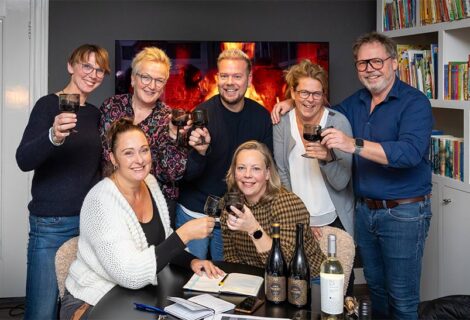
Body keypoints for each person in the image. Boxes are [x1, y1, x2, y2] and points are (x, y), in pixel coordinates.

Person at [272, 32, 433, 320]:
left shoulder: (414, 102)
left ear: (394, 63)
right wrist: (289, 102)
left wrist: (352, 144)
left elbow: (409, 153)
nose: (370, 68)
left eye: (376, 61)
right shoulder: (354, 104)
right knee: (376, 290)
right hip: (363, 211)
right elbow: (319, 108)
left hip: (403, 212)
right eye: (362, 63)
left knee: (402, 297)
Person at [61, 118, 223, 319]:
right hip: (93, 300)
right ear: (113, 158)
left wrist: (191, 261)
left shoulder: (149, 182)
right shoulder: (101, 201)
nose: (139, 159)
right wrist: (185, 234)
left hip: (135, 296)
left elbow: (164, 239)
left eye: (144, 150)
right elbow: (130, 274)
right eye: (128, 153)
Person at [16, 44, 111, 320]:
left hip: (88, 225)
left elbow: (95, 166)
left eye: (99, 70)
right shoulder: (48, 105)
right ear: (71, 66)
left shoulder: (94, 114)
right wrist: (52, 137)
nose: (93, 74)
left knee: (74, 309)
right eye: (86, 66)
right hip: (51, 226)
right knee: (42, 312)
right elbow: (23, 159)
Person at [176, 49, 273, 261]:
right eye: (224, 76)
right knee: (190, 278)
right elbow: (185, 176)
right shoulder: (201, 114)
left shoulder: (261, 117)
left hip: (234, 216)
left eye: (237, 76)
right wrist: (200, 153)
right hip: (195, 212)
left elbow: (267, 169)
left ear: (249, 79)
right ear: (217, 78)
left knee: (227, 277)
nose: (230, 82)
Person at [273, 59, 354, 239]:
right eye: (304, 93)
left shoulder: (338, 122)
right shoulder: (282, 124)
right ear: (292, 93)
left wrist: (327, 158)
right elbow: (282, 174)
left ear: (323, 95)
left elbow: (341, 183)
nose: (310, 99)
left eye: (316, 94)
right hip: (297, 220)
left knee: (335, 267)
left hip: (334, 218)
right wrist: (299, 219)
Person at [220, 141, 325, 276]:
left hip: (305, 280)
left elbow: (284, 264)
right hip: (259, 279)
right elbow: (231, 257)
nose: (247, 174)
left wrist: (253, 229)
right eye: (241, 168)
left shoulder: (287, 203)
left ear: (268, 173)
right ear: (234, 172)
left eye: (256, 168)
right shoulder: (230, 205)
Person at [100, 47, 189, 203]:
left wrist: (174, 137)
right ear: (133, 79)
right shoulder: (111, 106)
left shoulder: (169, 119)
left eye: (159, 80)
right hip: (111, 197)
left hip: (153, 202)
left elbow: (173, 174)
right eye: (146, 77)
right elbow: (100, 155)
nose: (152, 85)